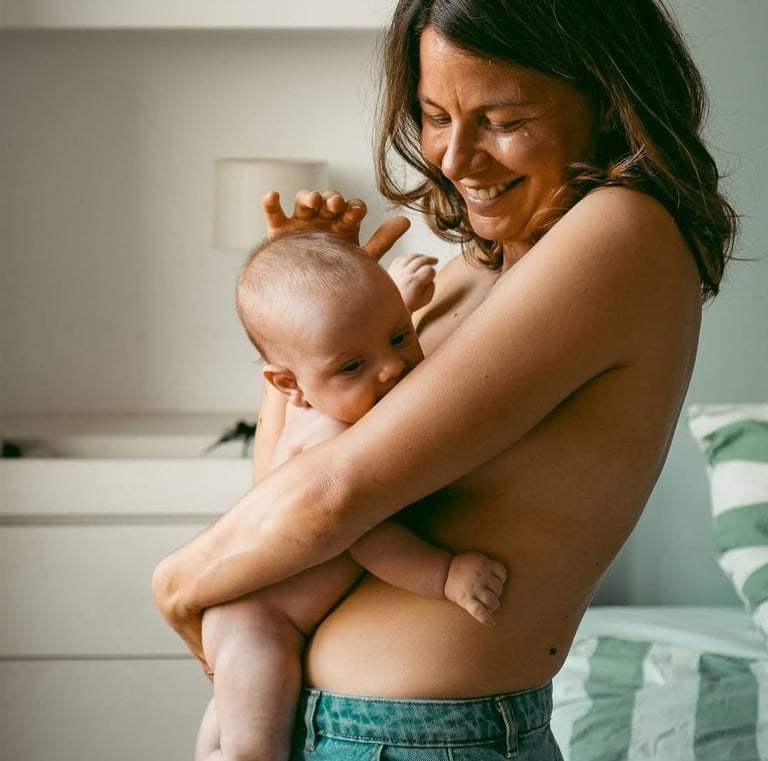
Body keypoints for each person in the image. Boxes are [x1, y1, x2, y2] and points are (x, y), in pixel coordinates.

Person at [153, 1, 738, 758]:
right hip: (338, 725)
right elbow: (289, 488)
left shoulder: (622, 233)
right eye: (435, 116)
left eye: (500, 119)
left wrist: (176, 585)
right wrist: (302, 344)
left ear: (605, 100)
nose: (456, 159)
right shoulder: (469, 274)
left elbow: (333, 501)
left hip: (425, 739)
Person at [194, 229, 507, 761]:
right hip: (259, 627)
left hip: (256, 620)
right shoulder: (330, 438)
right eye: (352, 366)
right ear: (288, 385)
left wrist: (395, 308)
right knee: (252, 751)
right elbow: (360, 534)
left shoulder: (326, 395)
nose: (391, 368)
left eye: (400, 337)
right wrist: (444, 574)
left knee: (218, 739)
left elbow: (354, 341)